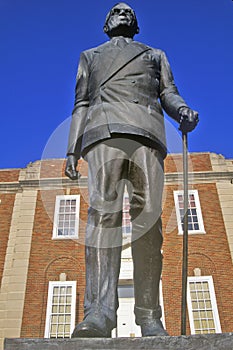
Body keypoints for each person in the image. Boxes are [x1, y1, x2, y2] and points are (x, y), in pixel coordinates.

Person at [65, 2, 198, 338]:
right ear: (106, 23)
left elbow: (168, 92)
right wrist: (71, 148)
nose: (123, 14)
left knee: (149, 221)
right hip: (103, 133)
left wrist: (182, 110)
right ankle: (98, 313)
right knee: (103, 218)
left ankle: (150, 316)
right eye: (116, 12)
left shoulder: (154, 55)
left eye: (128, 13)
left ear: (136, 25)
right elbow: (81, 103)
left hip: (147, 134)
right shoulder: (90, 56)